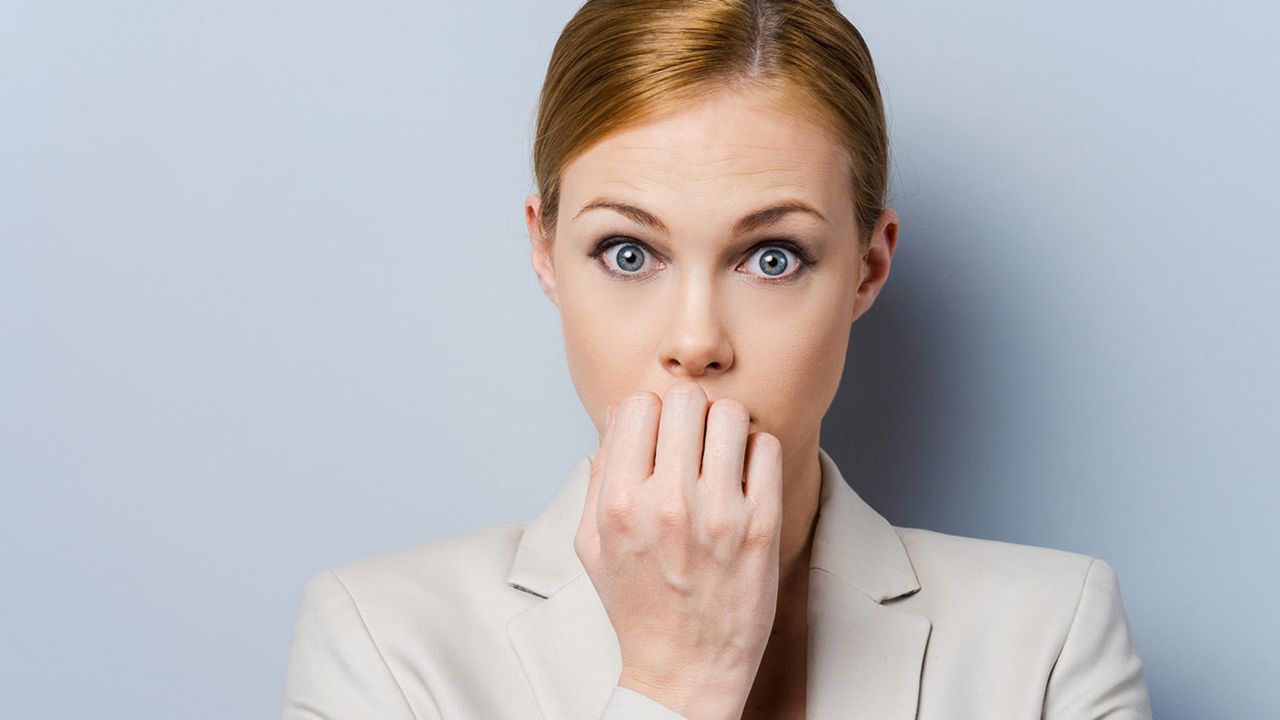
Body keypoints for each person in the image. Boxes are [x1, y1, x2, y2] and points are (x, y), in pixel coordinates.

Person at [281, 1, 1153, 718]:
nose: (695, 343)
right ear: (545, 255)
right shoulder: (382, 644)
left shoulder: (1049, 638)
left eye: (772, 257)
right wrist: (677, 685)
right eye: (628, 252)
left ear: (868, 268)